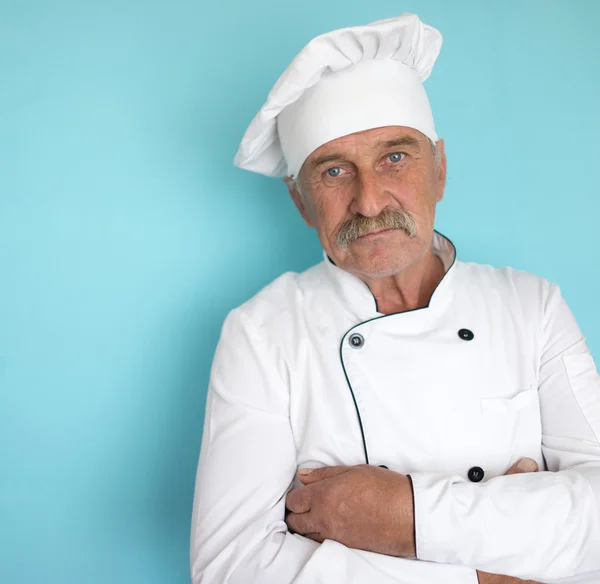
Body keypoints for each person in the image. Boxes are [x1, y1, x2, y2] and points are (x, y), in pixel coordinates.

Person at [190, 13, 600, 584]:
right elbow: (229, 568)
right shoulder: (262, 332)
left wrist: (398, 516)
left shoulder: (531, 305)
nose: (368, 201)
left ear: (440, 170)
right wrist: (480, 576)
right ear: (302, 203)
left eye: (395, 158)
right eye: (334, 171)